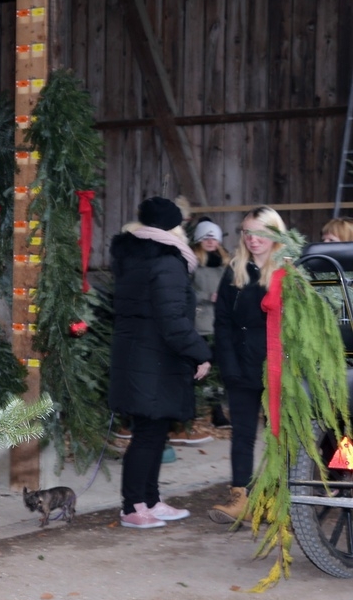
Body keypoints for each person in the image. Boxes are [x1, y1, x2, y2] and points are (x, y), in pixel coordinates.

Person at [109, 197, 212, 528]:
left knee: (152, 433)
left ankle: (150, 501)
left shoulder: (134, 256)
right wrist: (199, 352)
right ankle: (133, 507)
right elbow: (173, 319)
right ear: (175, 227)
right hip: (154, 359)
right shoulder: (167, 261)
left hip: (141, 356)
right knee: (148, 435)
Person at [209, 206, 289, 524]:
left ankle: (276, 498)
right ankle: (240, 497)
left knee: (278, 436)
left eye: (260, 232)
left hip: (277, 368)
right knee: (242, 434)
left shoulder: (288, 270)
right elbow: (222, 323)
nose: (252, 239)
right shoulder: (235, 270)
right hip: (241, 366)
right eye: (247, 232)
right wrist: (228, 365)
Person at [189, 218, 231, 432]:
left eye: (213, 237)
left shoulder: (225, 263)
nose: (210, 241)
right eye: (206, 237)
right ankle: (193, 410)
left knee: (218, 371)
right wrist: (207, 296)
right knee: (201, 368)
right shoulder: (192, 262)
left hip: (222, 322)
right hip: (201, 323)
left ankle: (217, 411)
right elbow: (185, 291)